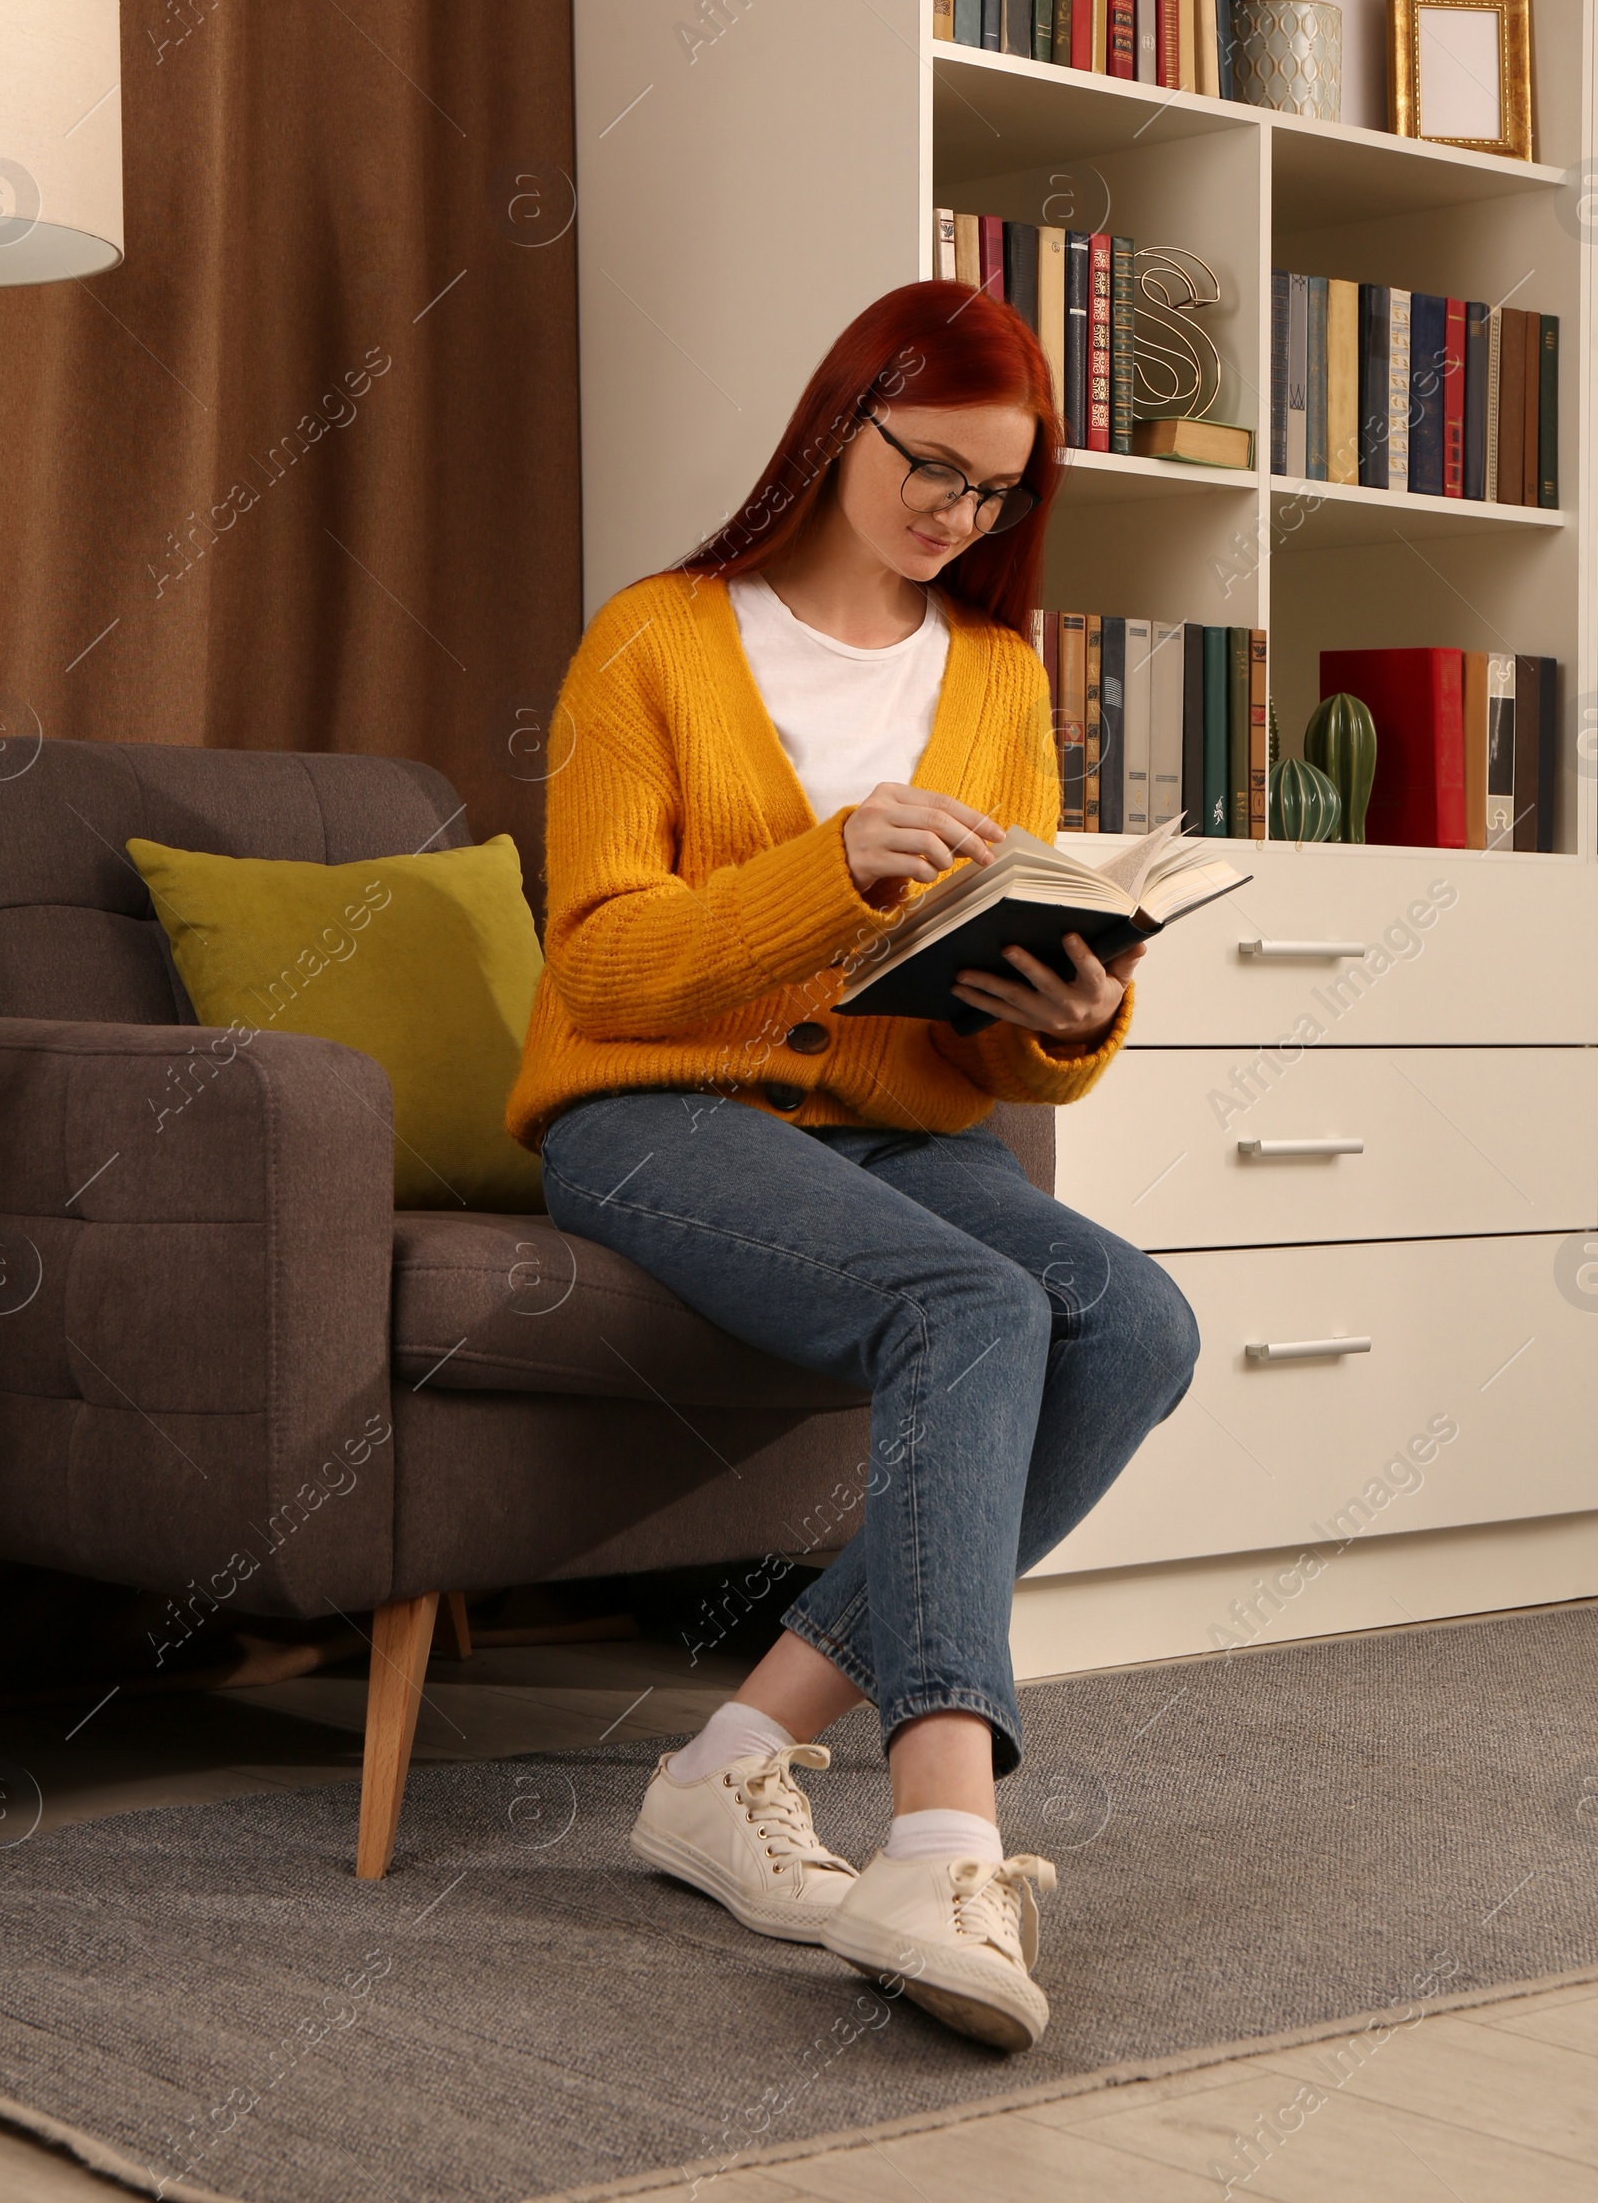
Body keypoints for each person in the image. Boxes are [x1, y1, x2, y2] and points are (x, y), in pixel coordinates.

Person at [506, 280, 1200, 2053]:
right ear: (842, 423)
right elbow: (601, 961)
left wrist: (1062, 1010)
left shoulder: (993, 676)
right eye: (930, 466)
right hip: (650, 1115)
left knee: (1132, 1321)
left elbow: (976, 1038)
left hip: (900, 1121)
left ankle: (734, 1758)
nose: (954, 514)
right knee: (972, 1303)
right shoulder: (651, 640)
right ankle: (944, 1831)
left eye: (993, 493)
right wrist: (834, 866)